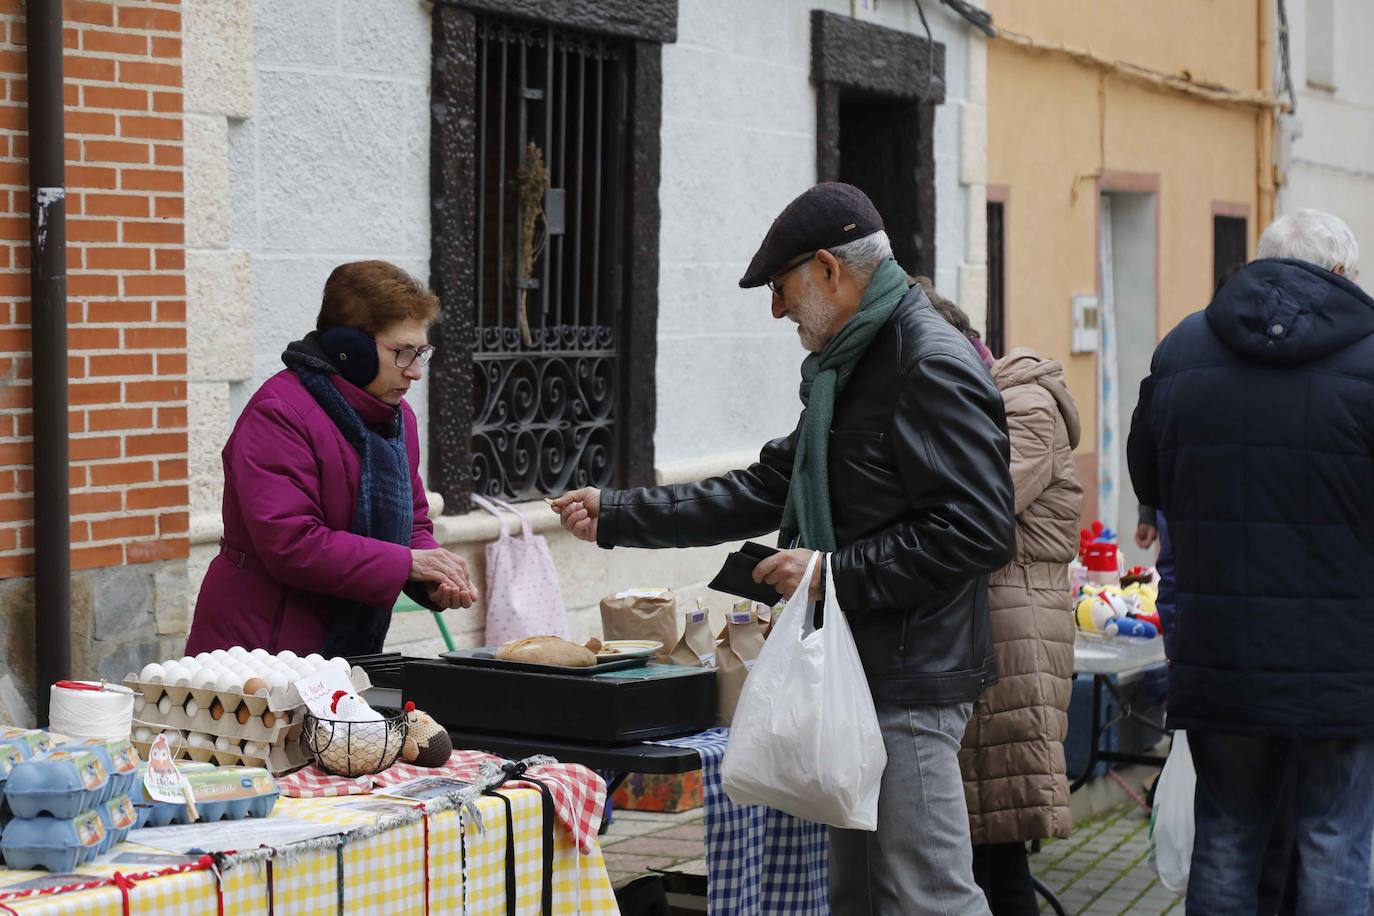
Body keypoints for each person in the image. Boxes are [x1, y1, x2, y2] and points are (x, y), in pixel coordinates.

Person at [554, 183, 1017, 915]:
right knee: (860, 895)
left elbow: (980, 528)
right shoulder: (852, 366)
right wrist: (618, 513)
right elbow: (768, 484)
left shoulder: (924, 360)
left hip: (910, 678)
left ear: (830, 269)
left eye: (781, 286)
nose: (777, 309)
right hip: (857, 669)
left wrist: (832, 572)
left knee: (929, 897)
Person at [1127, 209, 1373, 915]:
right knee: (1335, 840)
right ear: (1337, 275)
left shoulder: (1184, 348)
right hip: (1345, 663)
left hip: (1222, 653)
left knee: (1228, 837)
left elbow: (1152, 477)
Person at [186, 261, 478, 657]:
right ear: (350, 350)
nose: (416, 373)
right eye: (403, 352)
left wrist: (434, 578)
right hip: (258, 651)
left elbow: (414, 524)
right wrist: (407, 563)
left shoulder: (399, 419)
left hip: (347, 651)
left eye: (420, 353)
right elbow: (291, 542)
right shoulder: (279, 413)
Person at [919, 281, 1083, 915]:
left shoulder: (1026, 406)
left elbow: (968, 502)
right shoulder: (976, 404)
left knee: (997, 841)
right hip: (982, 635)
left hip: (1012, 644)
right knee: (973, 838)